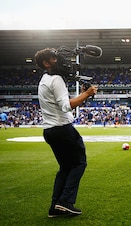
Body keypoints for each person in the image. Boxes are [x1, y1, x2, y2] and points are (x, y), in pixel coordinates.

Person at [34, 48, 98, 218]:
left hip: (50, 130)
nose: (58, 60)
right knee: (79, 163)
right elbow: (66, 106)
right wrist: (87, 93)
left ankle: (55, 206)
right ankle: (65, 202)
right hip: (62, 129)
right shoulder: (56, 79)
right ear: (46, 63)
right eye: (53, 58)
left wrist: (83, 95)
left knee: (65, 168)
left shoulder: (45, 78)